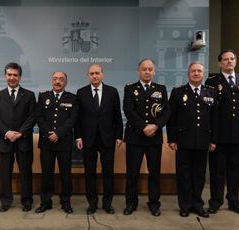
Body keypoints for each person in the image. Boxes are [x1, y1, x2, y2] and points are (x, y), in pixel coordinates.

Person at [167, 61, 218, 218]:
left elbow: (215, 118)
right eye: (193, 71)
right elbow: (171, 118)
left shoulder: (211, 92)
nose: (196, 73)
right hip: (183, 141)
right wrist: (172, 139)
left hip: (203, 141)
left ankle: (197, 204)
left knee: (200, 175)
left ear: (203, 74)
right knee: (183, 174)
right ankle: (185, 205)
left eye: (199, 71)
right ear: (188, 74)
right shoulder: (177, 92)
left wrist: (213, 140)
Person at [122, 58, 170, 216]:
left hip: (154, 137)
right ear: (139, 71)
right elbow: (128, 110)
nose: (147, 71)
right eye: (144, 69)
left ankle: (154, 203)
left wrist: (155, 126)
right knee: (132, 172)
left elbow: (166, 112)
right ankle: (131, 202)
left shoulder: (161, 89)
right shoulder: (130, 88)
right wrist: (143, 127)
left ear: (154, 71)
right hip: (135, 137)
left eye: (150, 69)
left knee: (154, 173)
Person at [205, 49, 239, 215]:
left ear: (235, 61)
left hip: (237, 136)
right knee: (217, 171)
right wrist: (211, 136)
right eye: (225, 59)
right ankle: (215, 201)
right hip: (218, 135)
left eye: (232, 58)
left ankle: (234, 202)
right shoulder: (212, 82)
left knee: (234, 171)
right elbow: (209, 111)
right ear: (220, 63)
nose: (229, 61)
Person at [76, 64, 123, 214]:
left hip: (107, 138)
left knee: (108, 172)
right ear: (88, 76)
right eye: (92, 74)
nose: (94, 76)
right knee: (89, 173)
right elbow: (78, 118)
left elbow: (117, 116)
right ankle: (92, 203)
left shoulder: (112, 91)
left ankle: (107, 203)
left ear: (102, 75)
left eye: (97, 73)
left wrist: (118, 136)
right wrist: (78, 137)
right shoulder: (81, 92)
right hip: (88, 139)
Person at [0, 62, 36, 212]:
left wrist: (21, 132)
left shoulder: (29, 95)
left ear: (20, 77)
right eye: (9, 74)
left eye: (15, 75)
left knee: (26, 172)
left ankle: (26, 200)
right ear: (5, 76)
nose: (12, 78)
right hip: (5, 140)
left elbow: (32, 116)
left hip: (23, 140)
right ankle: (5, 201)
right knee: (5, 173)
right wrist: (7, 132)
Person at [35, 71, 78, 214]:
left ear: (66, 82)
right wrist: (49, 133)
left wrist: (58, 134)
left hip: (64, 142)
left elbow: (72, 119)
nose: (58, 81)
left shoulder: (72, 98)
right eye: (55, 79)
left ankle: (66, 202)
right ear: (51, 81)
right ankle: (45, 202)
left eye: (61, 79)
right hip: (47, 142)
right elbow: (39, 117)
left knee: (66, 174)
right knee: (46, 174)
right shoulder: (43, 96)